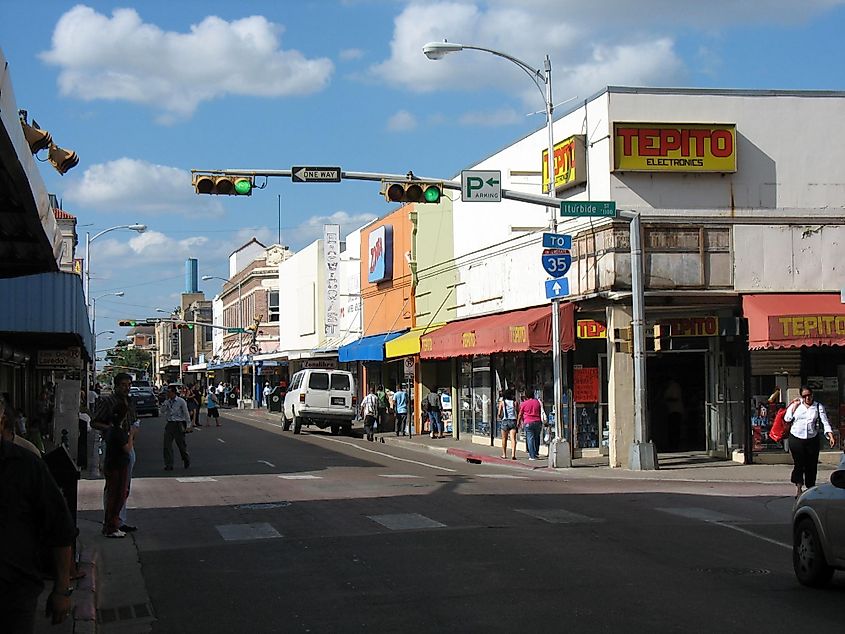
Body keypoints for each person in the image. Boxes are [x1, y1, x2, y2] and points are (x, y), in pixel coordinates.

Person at [0, 395, 77, 632]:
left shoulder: (26, 464)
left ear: (2, 421)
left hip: (13, 592)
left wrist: (62, 588)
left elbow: (60, 529)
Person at [92, 373, 136, 538]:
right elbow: (95, 422)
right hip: (113, 445)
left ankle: (120, 521)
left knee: (125, 486)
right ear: (116, 385)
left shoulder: (129, 402)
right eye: (124, 385)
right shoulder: (108, 401)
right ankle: (110, 522)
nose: (127, 388)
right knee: (113, 488)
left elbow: (133, 421)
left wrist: (131, 434)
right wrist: (111, 429)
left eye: (129, 384)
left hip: (127, 445)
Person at [784, 385, 836, 497]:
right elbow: (787, 418)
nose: (807, 398)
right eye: (804, 396)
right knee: (799, 463)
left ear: (812, 395)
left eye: (809, 395)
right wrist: (793, 407)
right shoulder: (796, 405)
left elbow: (825, 422)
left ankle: (810, 488)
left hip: (812, 438)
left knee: (811, 464)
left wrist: (830, 435)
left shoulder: (818, 407)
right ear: (801, 396)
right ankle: (799, 488)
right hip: (796, 438)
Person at [161, 385, 191, 471]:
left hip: (178, 424)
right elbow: (162, 411)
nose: (168, 394)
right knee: (167, 445)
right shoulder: (167, 402)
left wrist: (188, 425)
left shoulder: (181, 401)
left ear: (174, 392)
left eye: (169, 392)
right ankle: (169, 464)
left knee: (181, 445)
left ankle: (185, 458)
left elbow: (186, 413)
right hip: (170, 424)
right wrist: (164, 404)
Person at [517, 388, 543, 460]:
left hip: (528, 422)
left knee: (530, 438)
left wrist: (518, 422)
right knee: (536, 437)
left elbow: (520, 414)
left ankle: (532, 455)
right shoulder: (537, 402)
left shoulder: (524, 404)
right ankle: (536, 452)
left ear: (526, 396)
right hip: (537, 421)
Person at [498, 388, 519, 460]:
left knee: (504, 438)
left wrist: (500, 417)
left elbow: (499, 413)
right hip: (513, 420)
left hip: (505, 421)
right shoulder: (514, 402)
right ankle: (513, 454)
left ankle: (504, 454)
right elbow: (518, 412)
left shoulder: (502, 402)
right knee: (513, 438)